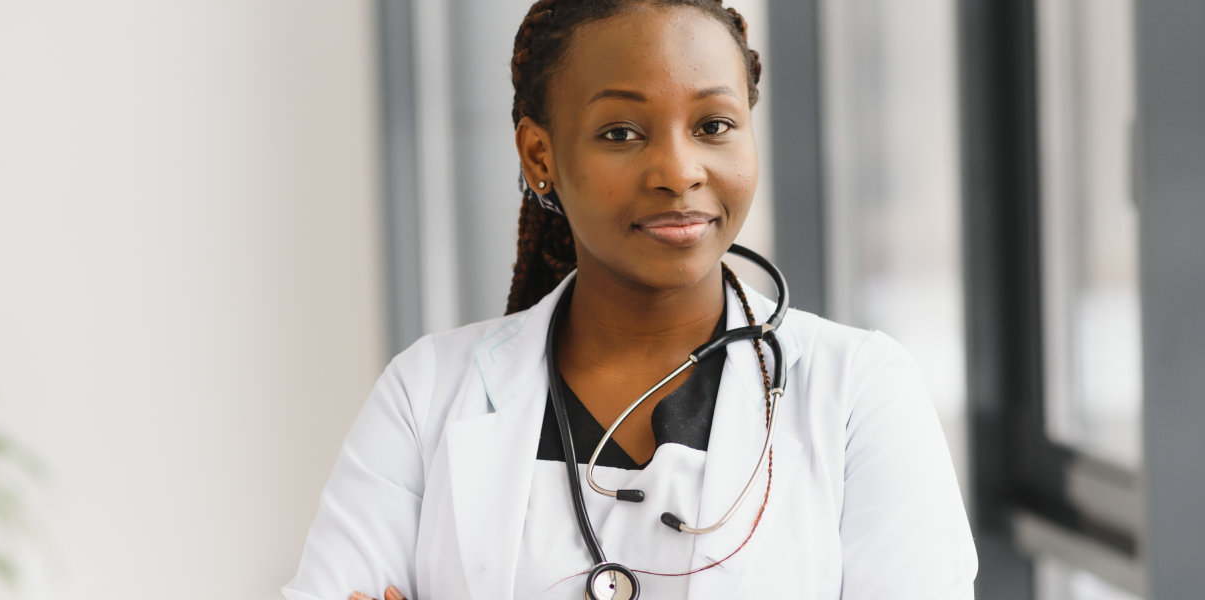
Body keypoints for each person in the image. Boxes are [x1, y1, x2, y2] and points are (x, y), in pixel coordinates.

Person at [284, 1, 976, 598]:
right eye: (621, 133)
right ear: (539, 156)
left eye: (713, 126)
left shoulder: (859, 393)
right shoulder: (426, 394)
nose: (679, 171)